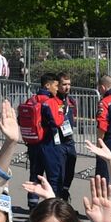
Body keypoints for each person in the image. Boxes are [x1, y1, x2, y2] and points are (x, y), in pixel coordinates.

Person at [21, 73, 66, 206]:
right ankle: (54, 206)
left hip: (33, 143)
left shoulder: (31, 100)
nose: (57, 89)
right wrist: (61, 112)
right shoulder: (50, 101)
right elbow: (57, 122)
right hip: (48, 143)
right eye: (56, 85)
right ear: (47, 85)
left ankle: (32, 207)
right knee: (54, 176)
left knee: (35, 176)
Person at [55, 73, 78, 199]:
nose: (67, 87)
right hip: (58, 141)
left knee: (71, 166)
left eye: (69, 84)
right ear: (58, 85)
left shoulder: (71, 100)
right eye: (64, 84)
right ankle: (59, 198)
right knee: (60, 172)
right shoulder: (54, 100)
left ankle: (65, 191)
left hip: (69, 139)